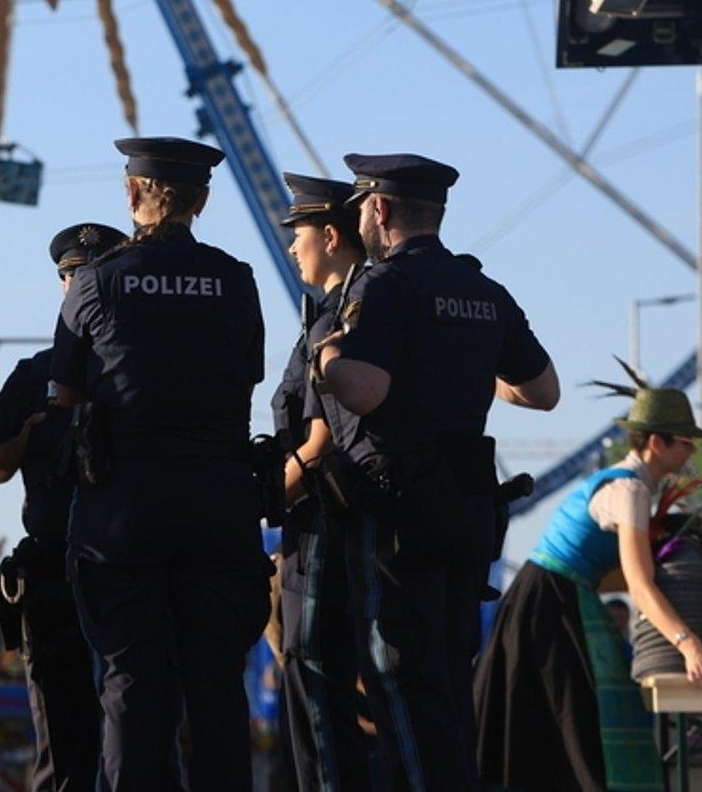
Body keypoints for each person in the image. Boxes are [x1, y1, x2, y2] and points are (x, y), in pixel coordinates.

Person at [313, 152, 560, 792]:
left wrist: (327, 358)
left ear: (380, 208)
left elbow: (363, 392)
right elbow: (543, 391)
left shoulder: (384, 286)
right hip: (468, 511)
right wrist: (466, 368)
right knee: (449, 684)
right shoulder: (484, 291)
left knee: (398, 681)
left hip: (398, 513)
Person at [51, 137, 269, 792]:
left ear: (131, 194)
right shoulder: (235, 279)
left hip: (124, 497)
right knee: (215, 677)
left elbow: (65, 392)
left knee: (129, 675)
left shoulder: (94, 280)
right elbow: (248, 375)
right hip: (220, 495)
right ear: (201, 200)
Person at [473, 375, 702, 792]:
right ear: (656, 443)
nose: (692, 450)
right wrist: (688, 642)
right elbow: (639, 585)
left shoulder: (625, 485)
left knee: (559, 731)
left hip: (549, 601)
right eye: (684, 441)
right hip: (550, 608)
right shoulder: (629, 490)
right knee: (576, 730)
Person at [0, 221, 128, 792]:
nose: (80, 286)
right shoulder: (35, 375)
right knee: (60, 742)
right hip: (54, 569)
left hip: (127, 567)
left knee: (132, 737)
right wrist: (18, 444)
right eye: (71, 277)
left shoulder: (136, 373)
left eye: (93, 276)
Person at [271, 174, 371, 792]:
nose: (291, 250)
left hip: (320, 523)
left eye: (298, 236)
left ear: (331, 236)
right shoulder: (344, 313)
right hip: (328, 520)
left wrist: (253, 503)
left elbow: (318, 441)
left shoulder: (336, 322)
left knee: (314, 681)